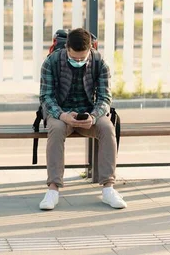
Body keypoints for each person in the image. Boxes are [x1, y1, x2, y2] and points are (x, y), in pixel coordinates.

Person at [38, 28, 126, 211]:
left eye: (82, 58)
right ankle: (53, 189)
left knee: (107, 128)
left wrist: (93, 117)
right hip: (61, 114)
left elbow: (105, 98)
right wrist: (62, 115)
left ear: (90, 51)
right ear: (66, 48)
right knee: (55, 130)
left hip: (89, 114)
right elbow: (46, 97)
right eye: (74, 58)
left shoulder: (100, 62)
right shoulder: (51, 62)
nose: (78, 61)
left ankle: (108, 188)